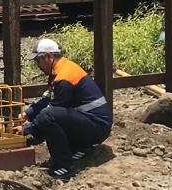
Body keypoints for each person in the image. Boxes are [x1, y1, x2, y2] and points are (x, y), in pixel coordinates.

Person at [17, 38, 112, 181]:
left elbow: (52, 110)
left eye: (38, 61)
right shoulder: (62, 70)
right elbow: (48, 99)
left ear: (48, 56)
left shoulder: (64, 77)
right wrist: (26, 114)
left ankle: (64, 166)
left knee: (48, 116)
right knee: (49, 115)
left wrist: (27, 129)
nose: (38, 65)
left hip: (96, 127)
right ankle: (80, 148)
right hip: (95, 124)